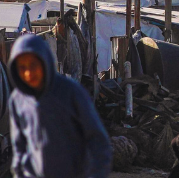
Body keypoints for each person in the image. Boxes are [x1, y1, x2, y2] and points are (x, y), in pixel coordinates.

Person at [8, 33, 112, 178]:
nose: (28, 73)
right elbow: (20, 148)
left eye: (33, 65)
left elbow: (98, 140)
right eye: (22, 68)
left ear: (44, 62)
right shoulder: (18, 100)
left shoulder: (70, 93)